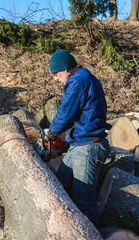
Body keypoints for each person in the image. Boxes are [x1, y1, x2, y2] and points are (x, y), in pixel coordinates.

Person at [44, 49, 111, 228]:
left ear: (65, 69)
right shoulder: (83, 77)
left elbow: (65, 113)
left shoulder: (78, 81)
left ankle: (93, 233)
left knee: (84, 199)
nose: (55, 79)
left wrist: (50, 134)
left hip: (89, 147)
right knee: (62, 184)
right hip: (80, 143)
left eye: (56, 74)